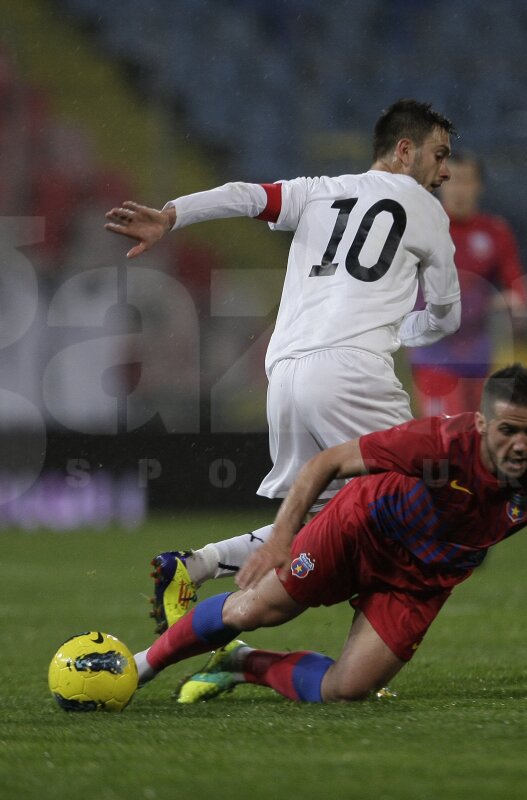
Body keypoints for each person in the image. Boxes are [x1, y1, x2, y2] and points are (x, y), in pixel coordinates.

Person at [129, 364, 527, 704]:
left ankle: (243, 667)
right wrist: (285, 535)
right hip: (358, 530)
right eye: (507, 431)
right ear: (482, 422)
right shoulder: (441, 443)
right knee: (257, 606)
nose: (520, 444)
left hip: (420, 583)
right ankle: (140, 667)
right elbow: (328, 463)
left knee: (347, 691)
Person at [105, 99, 462, 634]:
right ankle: (366, 663)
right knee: (419, 509)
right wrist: (403, 330)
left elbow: (245, 196)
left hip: (286, 376)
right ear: (405, 150)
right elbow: (446, 315)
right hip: (352, 375)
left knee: (312, 523)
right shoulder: (428, 210)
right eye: (440, 154)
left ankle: (195, 566)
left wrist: (172, 215)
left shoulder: (318, 190)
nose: (446, 169)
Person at [408, 151, 527, 417]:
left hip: (477, 355)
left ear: (479, 186)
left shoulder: (495, 232)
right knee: (446, 436)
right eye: (450, 180)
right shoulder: (421, 229)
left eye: (465, 180)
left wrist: (514, 305)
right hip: (433, 354)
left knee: (477, 438)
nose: (458, 189)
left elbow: (516, 285)